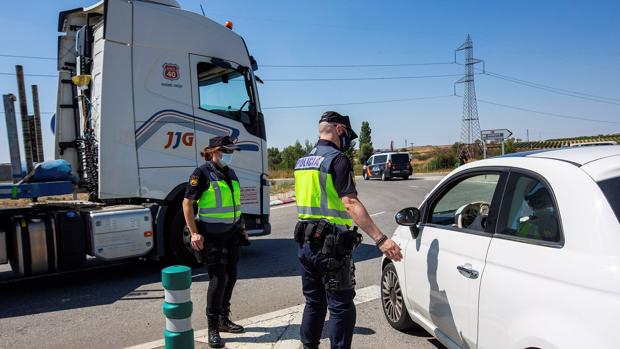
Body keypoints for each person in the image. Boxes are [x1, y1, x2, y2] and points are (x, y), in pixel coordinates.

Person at [293, 111, 403, 349]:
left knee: (314, 302)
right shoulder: (337, 159)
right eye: (347, 136)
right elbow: (350, 203)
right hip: (330, 245)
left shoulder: (302, 161)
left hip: (305, 242)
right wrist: (380, 238)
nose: (347, 142)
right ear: (339, 129)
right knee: (341, 305)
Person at [182, 135, 249, 349]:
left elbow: (235, 204)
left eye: (231, 152)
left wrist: (243, 228)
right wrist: (194, 233)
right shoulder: (201, 173)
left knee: (232, 276)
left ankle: (223, 319)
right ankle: (212, 327)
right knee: (218, 279)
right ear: (213, 151)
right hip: (212, 235)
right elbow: (186, 204)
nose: (229, 156)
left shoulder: (231, 173)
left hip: (233, 233)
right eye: (225, 152)